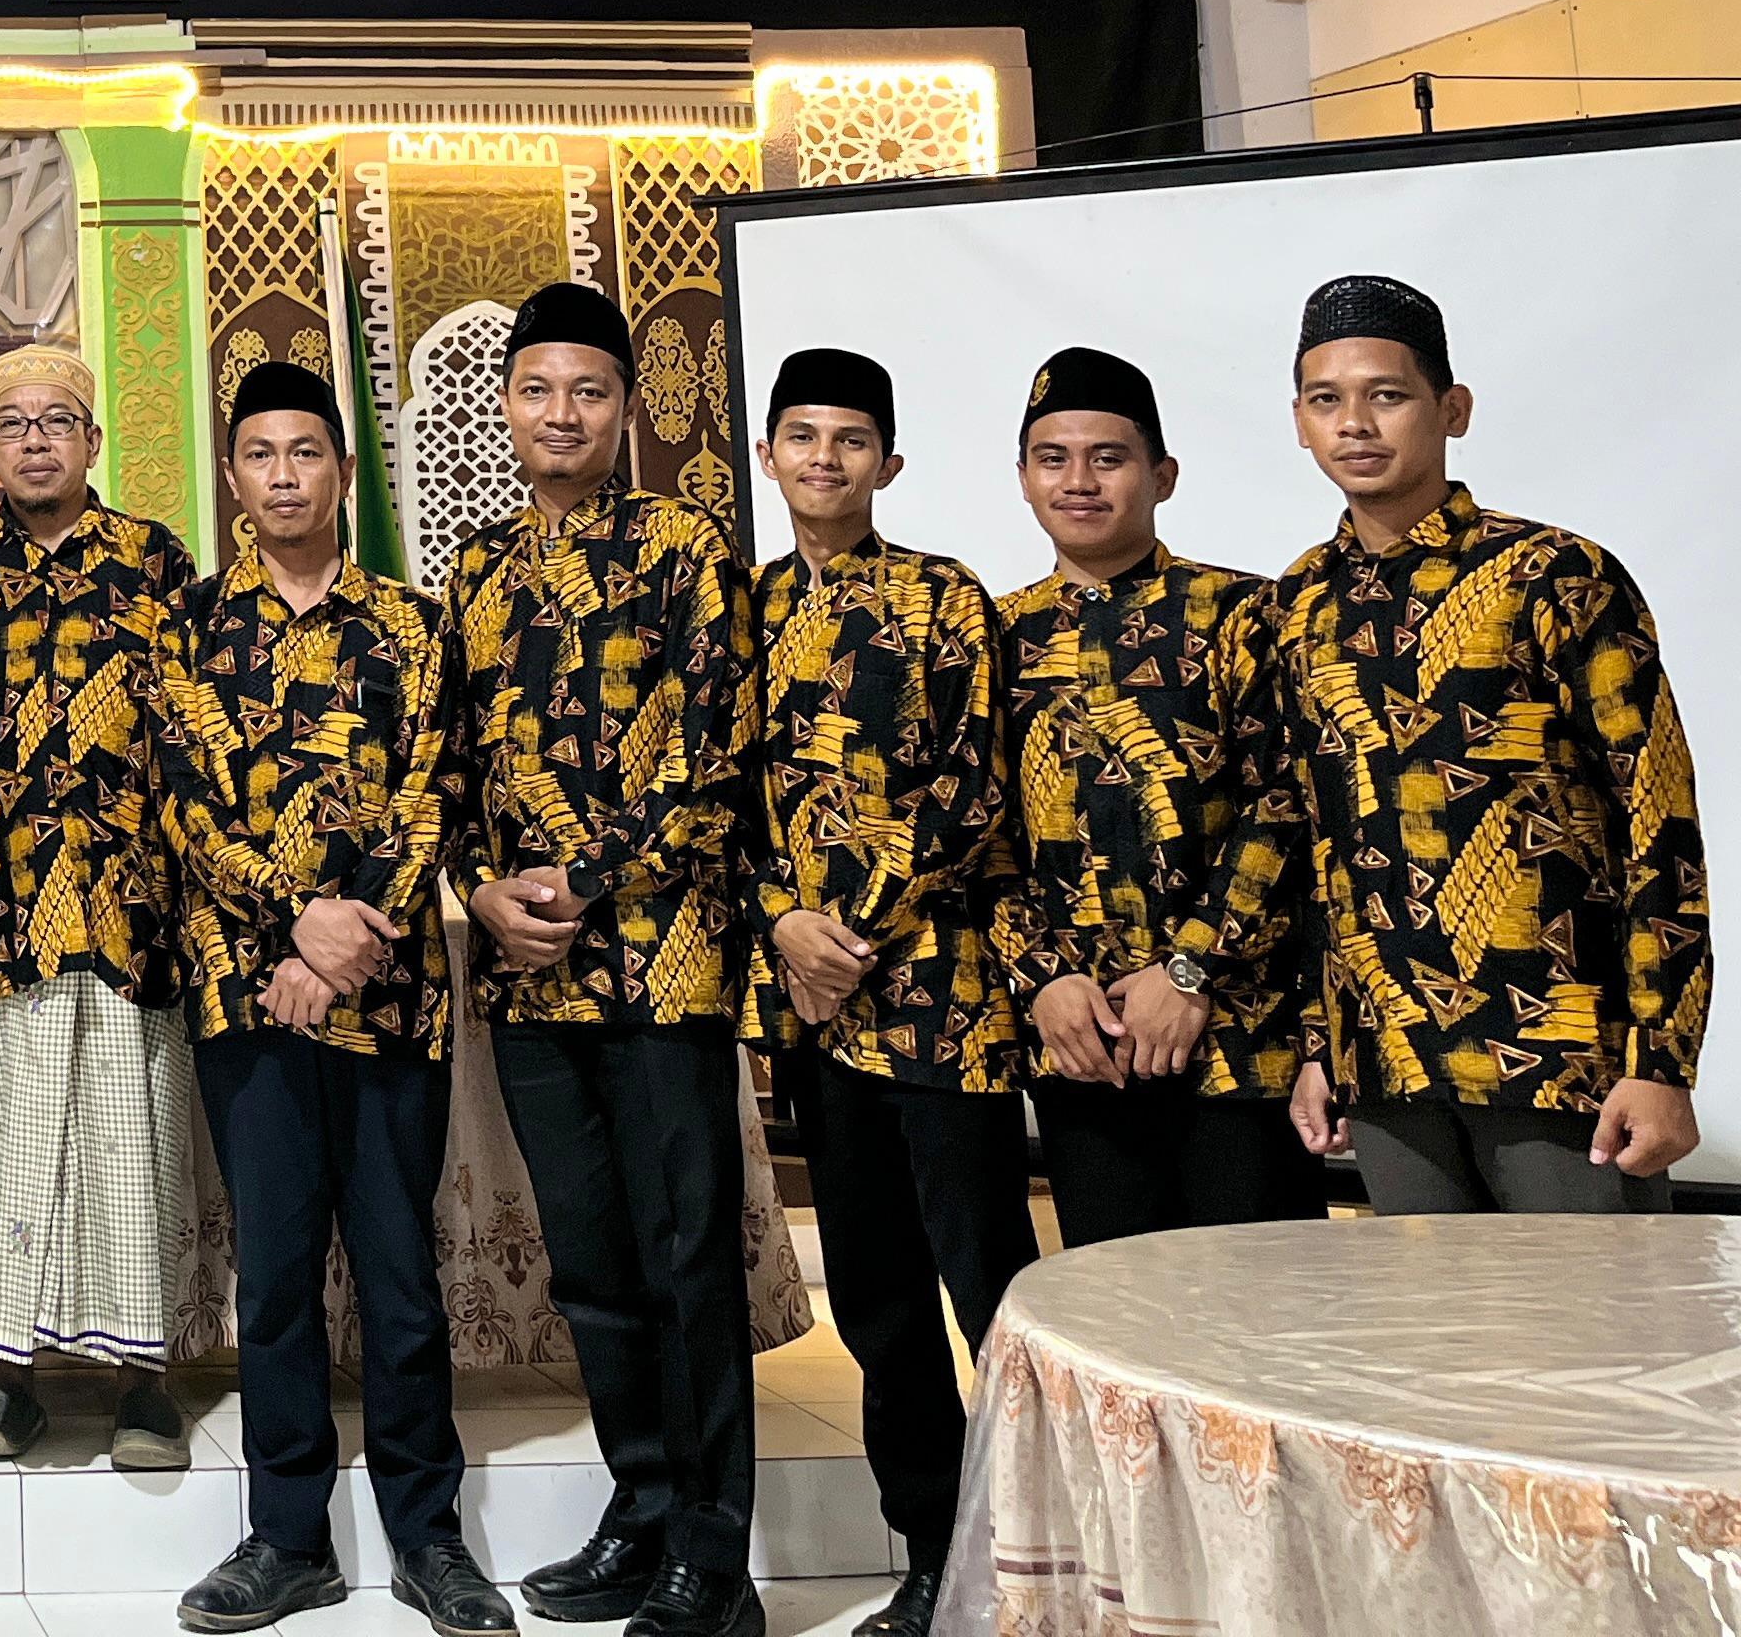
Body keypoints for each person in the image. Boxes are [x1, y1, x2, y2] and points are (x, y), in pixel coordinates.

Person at [160, 365, 512, 1637]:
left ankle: (429, 1536)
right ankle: (288, 1537)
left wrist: (343, 939)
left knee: (400, 1273)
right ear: (234, 479)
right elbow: (188, 806)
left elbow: (436, 790)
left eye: (307, 452)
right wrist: (293, 924)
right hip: (249, 999)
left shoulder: (414, 626)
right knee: (274, 1277)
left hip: (388, 996)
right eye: (261, 455)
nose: (285, 476)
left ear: (343, 473)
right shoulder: (190, 627)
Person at [442, 281, 759, 1637]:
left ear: (627, 409)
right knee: (589, 1264)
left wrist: (583, 877)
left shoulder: (687, 547)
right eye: (538, 390)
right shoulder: (477, 570)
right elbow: (447, 764)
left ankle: (715, 1555)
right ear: (506, 408)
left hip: (662, 960)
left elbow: (718, 753)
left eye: (588, 391)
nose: (561, 413)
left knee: (686, 1257)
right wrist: (479, 891)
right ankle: (642, 1508)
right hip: (528, 971)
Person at [1275, 274, 1708, 1212]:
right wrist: (1320, 1042)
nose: (1355, 424)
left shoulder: (1554, 574)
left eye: (1387, 395)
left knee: (1590, 1309)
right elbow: (1316, 841)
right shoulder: (1299, 604)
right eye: (1326, 400)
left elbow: (1656, 817)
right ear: (1300, 423)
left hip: (1560, 1057)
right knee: (1426, 1309)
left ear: (1452, 409)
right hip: (1387, 1060)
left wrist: (1662, 1060)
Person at [741, 349, 1028, 1637]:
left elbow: (976, 787)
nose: (825, 458)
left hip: (942, 1004)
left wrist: (845, 927)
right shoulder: (740, 611)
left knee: (993, 1288)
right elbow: (720, 792)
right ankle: (932, 1551)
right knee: (876, 1300)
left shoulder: (944, 597)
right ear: (768, 456)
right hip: (815, 1020)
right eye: (802, 436)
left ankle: (1040, 1545)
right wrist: (783, 925)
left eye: (851, 439)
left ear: (889, 463)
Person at [0, 338, 198, 1469]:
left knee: (135, 1149)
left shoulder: (157, 563)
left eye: (56, 422)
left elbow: (198, 739)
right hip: (0, 917)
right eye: (15, 424)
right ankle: (7, 1381)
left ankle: (144, 1387)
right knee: (12, 1149)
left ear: (92, 441)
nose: (35, 441)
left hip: (135, 917)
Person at [987, 346, 1320, 1247]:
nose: (1079, 481)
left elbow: (1286, 804)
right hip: (1082, 1042)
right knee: (1115, 1308)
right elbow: (979, 829)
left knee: (1268, 1309)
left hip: (1235, 1039)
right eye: (1053, 459)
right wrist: (1043, 978)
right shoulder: (994, 636)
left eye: (1109, 457)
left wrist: (1191, 969)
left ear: (1162, 476)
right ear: (1022, 479)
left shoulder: (1241, 614)